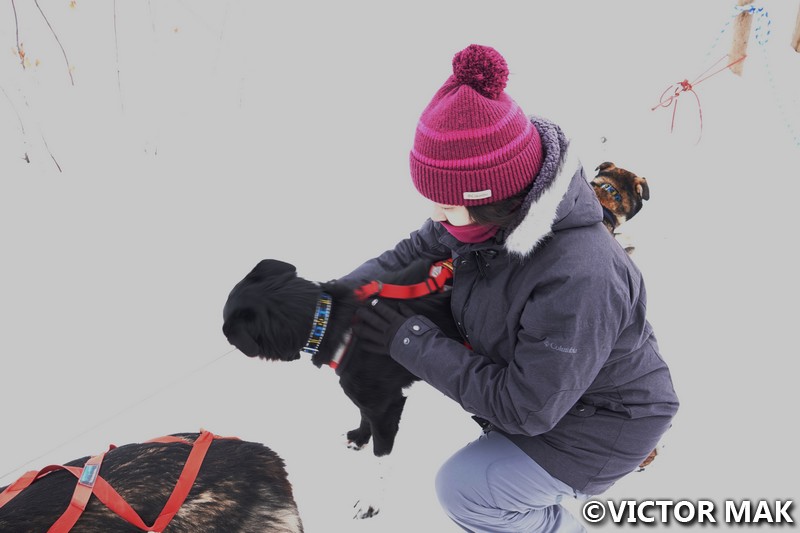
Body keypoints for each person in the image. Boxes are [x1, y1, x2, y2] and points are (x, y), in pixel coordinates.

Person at [341, 44, 679, 532]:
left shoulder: (580, 277)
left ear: (495, 200)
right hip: (555, 391)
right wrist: (343, 292)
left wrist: (404, 337)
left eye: (446, 206)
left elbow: (526, 407)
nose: (436, 215)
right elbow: (418, 248)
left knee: (466, 489)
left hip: (604, 423)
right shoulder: (488, 213)